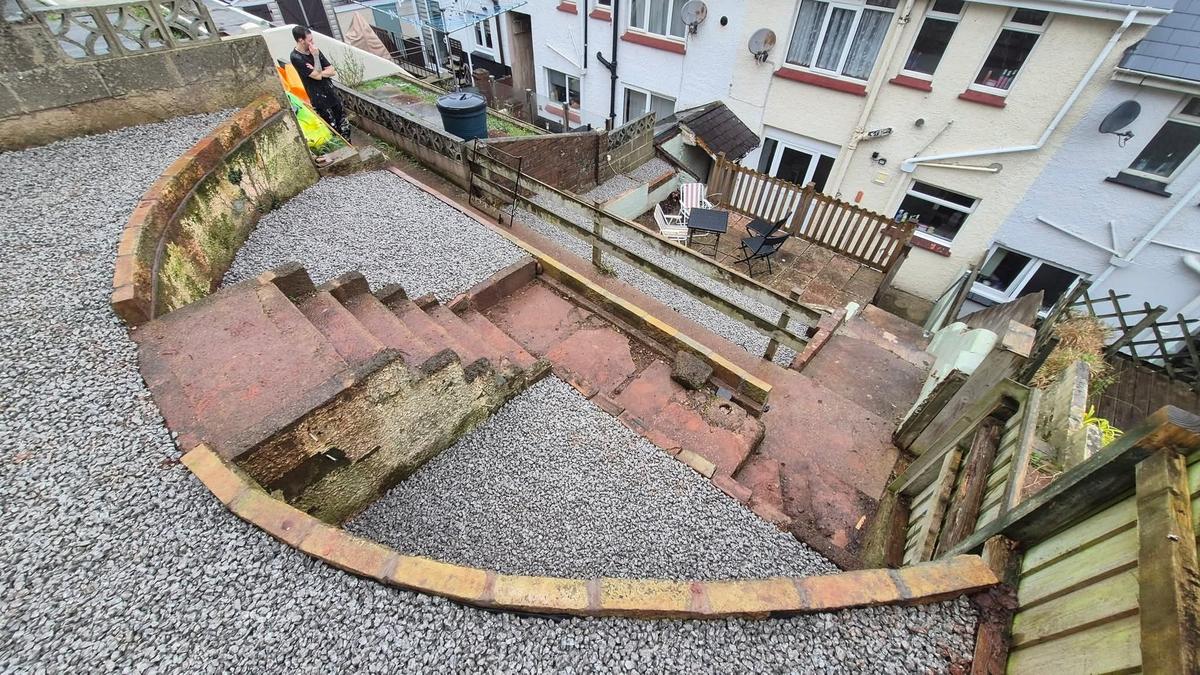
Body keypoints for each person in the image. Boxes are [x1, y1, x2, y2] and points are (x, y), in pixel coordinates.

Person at [290, 26, 351, 138]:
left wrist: (319, 72)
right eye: (310, 40)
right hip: (318, 98)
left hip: (331, 92)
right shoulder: (296, 57)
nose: (312, 43)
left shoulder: (315, 51)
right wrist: (316, 58)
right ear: (301, 40)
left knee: (344, 124)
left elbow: (331, 71)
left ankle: (351, 146)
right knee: (333, 129)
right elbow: (316, 77)